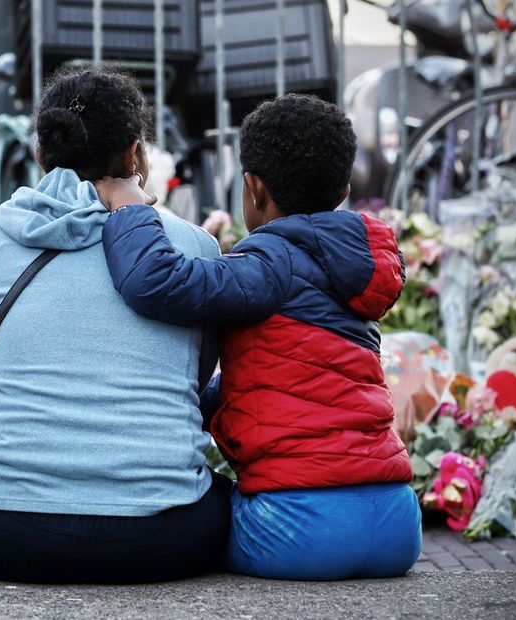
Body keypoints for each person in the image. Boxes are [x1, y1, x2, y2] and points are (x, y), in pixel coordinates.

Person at [94, 93, 422, 580]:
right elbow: (286, 378)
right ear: (344, 190)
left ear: (254, 189)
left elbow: (155, 281)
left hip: (300, 527)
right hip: (398, 521)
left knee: (190, 518)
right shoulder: (358, 274)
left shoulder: (269, 265)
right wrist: (187, 401)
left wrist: (128, 207)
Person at [0, 66, 230, 584]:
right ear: (136, 155)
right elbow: (189, 377)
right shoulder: (195, 247)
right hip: (163, 538)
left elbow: (7, 353)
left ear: (43, 155)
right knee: (221, 499)